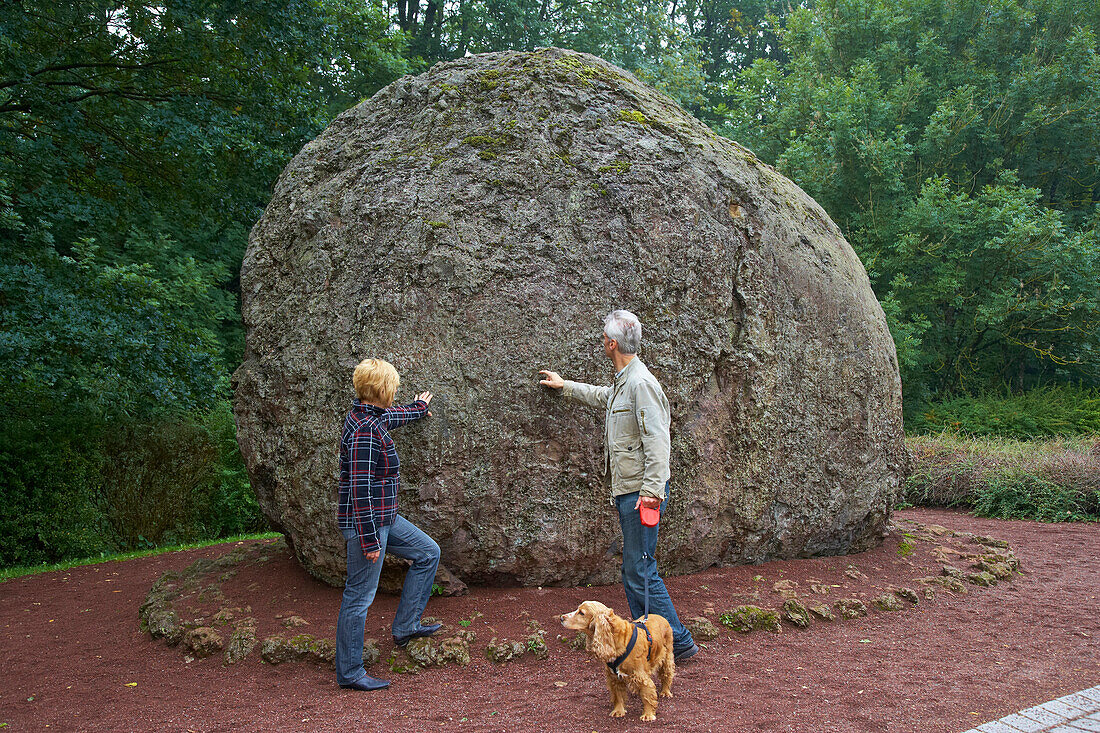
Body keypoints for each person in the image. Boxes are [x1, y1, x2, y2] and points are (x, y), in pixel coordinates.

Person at [539, 310, 699, 663]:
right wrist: (566, 387)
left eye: (603, 338)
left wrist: (651, 495)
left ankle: (678, 642)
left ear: (612, 343)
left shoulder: (641, 383)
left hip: (641, 493)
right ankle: (652, 640)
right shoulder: (625, 381)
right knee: (635, 569)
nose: (602, 342)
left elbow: (659, 442)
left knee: (641, 569)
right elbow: (605, 397)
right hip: (629, 490)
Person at [335, 358, 442, 691]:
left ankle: (406, 626)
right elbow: (360, 489)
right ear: (380, 389)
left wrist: (419, 408)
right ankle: (350, 672)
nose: (396, 389)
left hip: (385, 518)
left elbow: (393, 417)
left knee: (427, 553)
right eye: (392, 385)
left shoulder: (369, 417)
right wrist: (369, 541)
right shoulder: (366, 431)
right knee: (359, 597)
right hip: (368, 523)